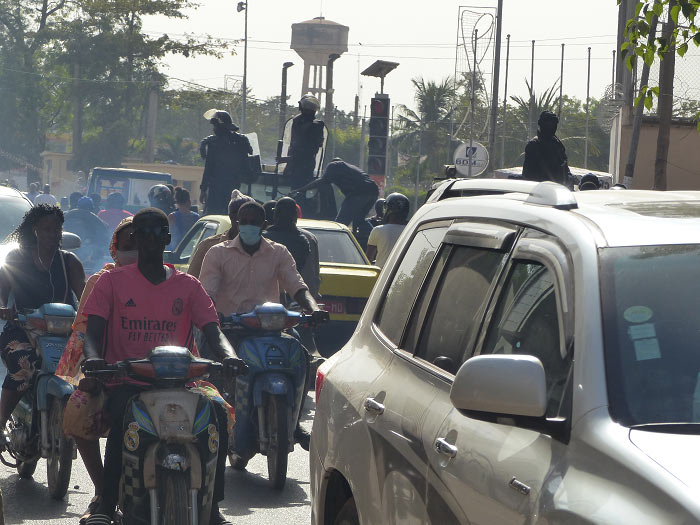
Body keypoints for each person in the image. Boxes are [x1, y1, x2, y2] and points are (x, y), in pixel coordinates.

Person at [81, 208, 245, 525]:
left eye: (159, 231)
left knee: (219, 414)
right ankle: (107, 500)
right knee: (123, 420)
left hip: (182, 382)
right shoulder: (110, 283)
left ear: (168, 238)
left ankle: (211, 507)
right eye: (145, 231)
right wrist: (93, 359)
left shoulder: (189, 286)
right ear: (136, 238)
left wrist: (229, 356)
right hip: (128, 381)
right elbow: (93, 333)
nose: (152, 238)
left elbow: (214, 331)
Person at [198, 201, 328, 450]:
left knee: (300, 358)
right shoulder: (217, 253)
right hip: (230, 328)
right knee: (215, 373)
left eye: (254, 222)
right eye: (243, 221)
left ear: (263, 225)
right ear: (237, 223)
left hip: (270, 327)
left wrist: (313, 308)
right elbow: (208, 292)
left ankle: (294, 421)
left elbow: (296, 285)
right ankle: (212, 427)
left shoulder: (278, 252)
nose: (248, 226)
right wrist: (212, 315)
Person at [56, 217, 136, 523]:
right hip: (111, 375)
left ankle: (207, 505)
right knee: (77, 409)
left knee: (214, 410)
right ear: (115, 249)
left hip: (160, 375)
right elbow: (84, 334)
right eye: (127, 245)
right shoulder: (101, 282)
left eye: (140, 245)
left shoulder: (170, 281)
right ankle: (104, 492)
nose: (134, 252)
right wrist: (89, 374)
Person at [0, 205, 86, 433]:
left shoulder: (70, 262)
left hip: (64, 333)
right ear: (35, 230)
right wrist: (3, 308)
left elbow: (87, 299)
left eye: (57, 229)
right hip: (21, 329)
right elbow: (1, 290)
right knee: (23, 366)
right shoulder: (16, 258)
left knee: (86, 375)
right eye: (47, 229)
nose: (53, 234)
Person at [292, 158, 379, 244]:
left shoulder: (334, 165)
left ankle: (332, 243)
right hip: (373, 191)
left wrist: (301, 189)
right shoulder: (350, 168)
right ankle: (376, 239)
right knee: (359, 220)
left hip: (358, 192)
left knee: (340, 223)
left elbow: (321, 181)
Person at [187, 190, 254, 279]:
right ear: (231, 216)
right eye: (241, 215)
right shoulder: (209, 246)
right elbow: (192, 282)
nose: (246, 220)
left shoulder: (266, 248)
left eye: (252, 217)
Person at [199, 109, 253, 216]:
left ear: (219, 127)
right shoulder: (241, 141)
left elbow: (208, 168)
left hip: (216, 190)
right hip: (234, 189)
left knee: (213, 216)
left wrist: (203, 189)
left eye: (215, 126)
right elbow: (248, 168)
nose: (214, 129)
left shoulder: (213, 143)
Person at [277, 95, 326, 192]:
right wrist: (289, 163)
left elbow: (308, 152)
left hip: (304, 167)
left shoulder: (315, 126)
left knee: (299, 192)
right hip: (295, 166)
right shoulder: (298, 121)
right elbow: (294, 145)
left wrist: (289, 159)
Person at [522, 110, 573, 187]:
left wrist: (569, 181)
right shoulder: (534, 145)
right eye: (548, 123)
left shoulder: (558, 145)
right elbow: (527, 174)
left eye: (553, 123)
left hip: (558, 190)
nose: (551, 126)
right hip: (540, 190)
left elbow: (565, 169)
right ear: (541, 124)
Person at [63, 197, 111, 270]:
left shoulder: (67, 215)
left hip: (74, 255)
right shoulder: (97, 221)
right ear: (92, 208)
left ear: (78, 206)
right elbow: (105, 238)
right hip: (85, 258)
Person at [366, 192, 410, 268]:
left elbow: (368, 260)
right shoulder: (412, 230)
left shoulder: (378, 230)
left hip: (382, 276)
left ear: (387, 209)